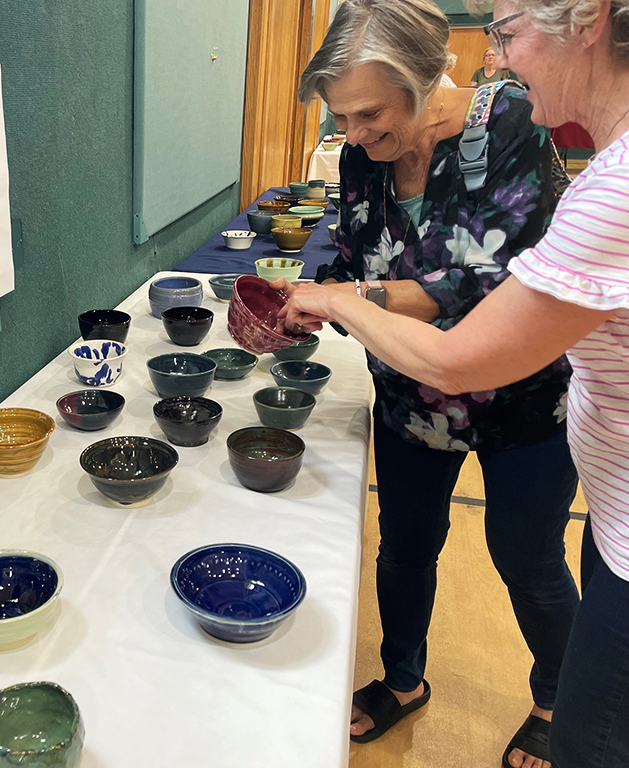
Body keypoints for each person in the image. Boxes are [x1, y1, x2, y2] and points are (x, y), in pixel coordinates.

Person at [281, 2, 629, 766]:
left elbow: (496, 283)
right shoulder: (357, 157)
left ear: (421, 78)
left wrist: (358, 300)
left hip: (521, 398)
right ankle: (402, 680)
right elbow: (355, 254)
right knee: (405, 545)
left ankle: (556, 694)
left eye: (370, 112)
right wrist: (316, 295)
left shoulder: (512, 121)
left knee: (526, 555)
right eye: (341, 118)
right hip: (411, 395)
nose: (356, 134)